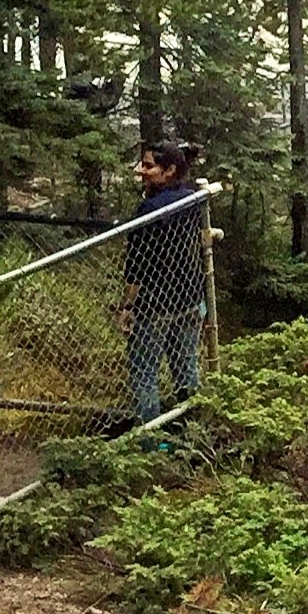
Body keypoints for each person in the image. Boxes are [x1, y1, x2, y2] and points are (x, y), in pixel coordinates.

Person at [120, 142, 207, 426]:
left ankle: (150, 441)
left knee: (144, 373)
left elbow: (136, 267)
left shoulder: (148, 210)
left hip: (154, 306)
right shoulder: (193, 199)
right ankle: (191, 429)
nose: (140, 171)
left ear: (169, 170)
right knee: (186, 368)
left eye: (148, 166)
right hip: (191, 298)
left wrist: (128, 306)